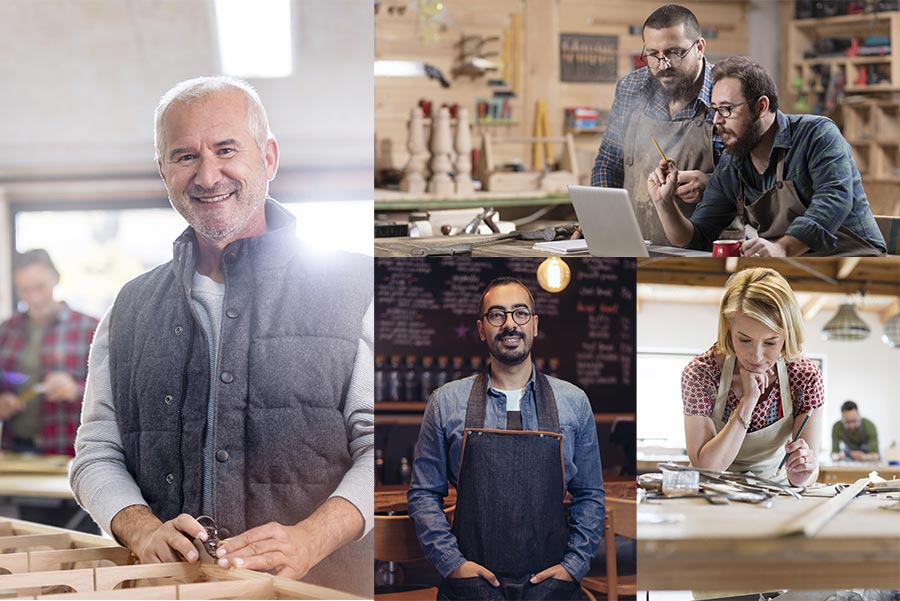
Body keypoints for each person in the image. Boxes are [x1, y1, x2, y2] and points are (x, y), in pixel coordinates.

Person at [69, 77, 373, 597]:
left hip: (319, 591)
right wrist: (141, 530)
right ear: (163, 170)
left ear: (269, 157)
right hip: (168, 590)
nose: (208, 175)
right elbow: (96, 452)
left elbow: (381, 451)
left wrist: (310, 539)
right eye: (184, 155)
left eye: (226, 149)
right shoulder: (129, 307)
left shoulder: (360, 289)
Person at [407, 277, 605, 601]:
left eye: (520, 313)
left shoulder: (574, 402)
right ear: (481, 328)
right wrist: (453, 564)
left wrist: (574, 565)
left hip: (552, 586)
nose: (510, 324)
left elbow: (591, 494)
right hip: (470, 588)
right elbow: (423, 494)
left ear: (535, 324)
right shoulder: (445, 402)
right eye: (497, 315)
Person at [649, 56, 887, 256]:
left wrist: (782, 248)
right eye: (714, 109)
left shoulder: (817, 135)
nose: (717, 120)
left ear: (761, 107)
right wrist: (664, 203)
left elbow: (833, 201)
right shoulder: (732, 165)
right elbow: (696, 238)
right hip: (790, 271)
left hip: (857, 265)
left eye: (727, 109)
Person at [591, 4, 722, 245]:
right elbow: (608, 164)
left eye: (674, 52)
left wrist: (713, 186)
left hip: (706, 248)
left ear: (700, 47)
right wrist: (604, 222)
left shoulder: (726, 93)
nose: (663, 65)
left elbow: (754, 182)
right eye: (653, 54)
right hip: (636, 244)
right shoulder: (631, 89)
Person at [682, 267, 824, 486]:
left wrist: (802, 474)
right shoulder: (702, 373)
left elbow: (811, 466)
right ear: (729, 329)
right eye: (744, 340)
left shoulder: (805, 377)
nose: (756, 356)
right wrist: (747, 402)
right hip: (711, 493)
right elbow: (705, 470)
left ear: (787, 335)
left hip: (775, 490)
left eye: (770, 342)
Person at [0, 249, 98, 456]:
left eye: (40, 287)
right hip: (13, 450)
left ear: (56, 279)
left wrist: (76, 391)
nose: (33, 298)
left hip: (66, 451)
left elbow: (113, 395)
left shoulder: (90, 329)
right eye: (24, 290)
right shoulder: (5, 331)